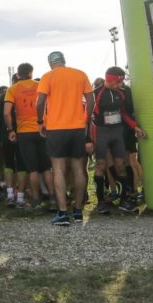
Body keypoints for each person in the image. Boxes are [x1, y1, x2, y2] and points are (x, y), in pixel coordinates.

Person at [36, 51, 94, 226]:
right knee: (78, 169)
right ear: (64, 61)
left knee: (58, 169)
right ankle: (78, 211)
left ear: (50, 63)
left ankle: (62, 213)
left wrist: (40, 121)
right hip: (77, 127)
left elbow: (40, 102)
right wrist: (85, 120)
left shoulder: (48, 76)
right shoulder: (80, 74)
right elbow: (91, 100)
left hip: (56, 128)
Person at [90, 67, 145, 214]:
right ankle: (101, 201)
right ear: (112, 80)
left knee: (121, 164)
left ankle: (124, 199)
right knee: (102, 165)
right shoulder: (96, 94)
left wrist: (135, 127)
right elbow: (89, 116)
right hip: (101, 133)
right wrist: (89, 138)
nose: (121, 84)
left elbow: (123, 113)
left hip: (117, 132)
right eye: (119, 81)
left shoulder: (121, 93)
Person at [5, 63, 48, 211]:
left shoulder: (12, 89)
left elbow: (6, 113)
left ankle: (36, 199)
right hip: (42, 129)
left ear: (18, 74)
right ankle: (54, 198)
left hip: (24, 132)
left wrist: (10, 129)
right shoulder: (40, 85)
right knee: (47, 167)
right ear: (31, 72)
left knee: (33, 169)